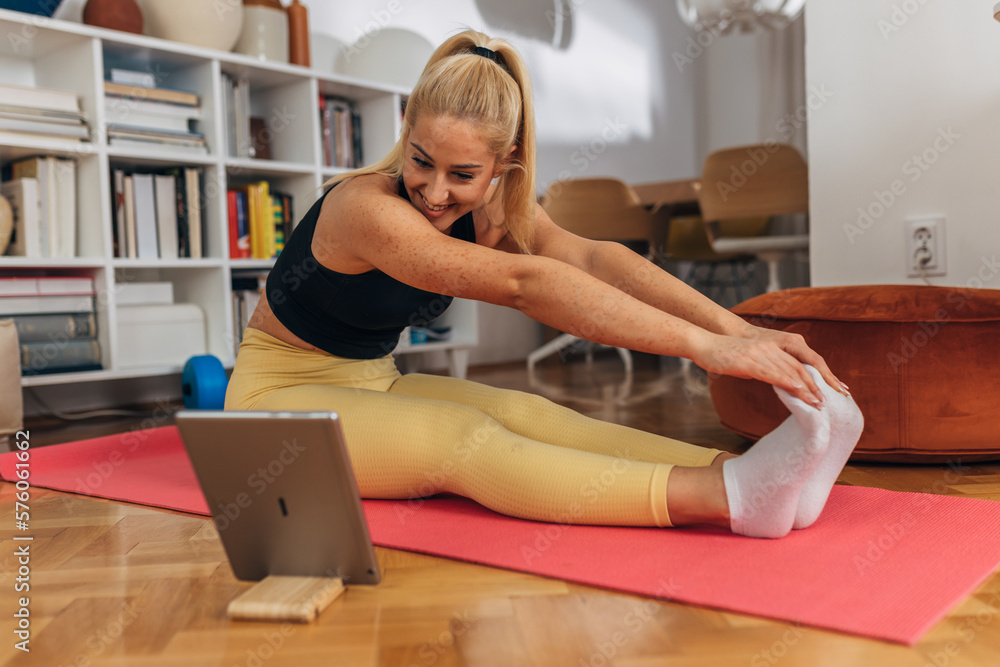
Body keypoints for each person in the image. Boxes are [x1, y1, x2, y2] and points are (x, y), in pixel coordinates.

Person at [225, 30, 863, 538]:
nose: (434, 191)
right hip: (273, 405)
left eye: (463, 173)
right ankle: (725, 498)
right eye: (421, 160)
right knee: (463, 441)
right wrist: (702, 350)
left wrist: (740, 332)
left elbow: (592, 259)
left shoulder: (492, 208)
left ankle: (743, 474)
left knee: (521, 410)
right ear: (405, 135)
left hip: (372, 380)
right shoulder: (365, 207)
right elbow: (526, 283)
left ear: (502, 168)